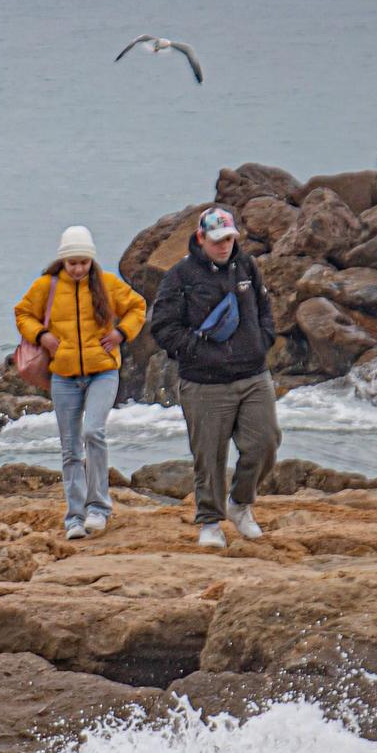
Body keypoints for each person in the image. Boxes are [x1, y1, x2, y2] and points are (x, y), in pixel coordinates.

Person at [148, 205, 280, 549]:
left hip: (253, 375)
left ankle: (240, 504)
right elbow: (163, 327)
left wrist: (263, 339)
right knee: (209, 455)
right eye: (217, 240)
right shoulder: (180, 276)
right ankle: (209, 521)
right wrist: (199, 352)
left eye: (230, 239)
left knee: (265, 443)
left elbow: (264, 309)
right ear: (201, 238)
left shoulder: (246, 266)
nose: (224, 246)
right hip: (204, 382)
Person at [14, 225, 147, 539]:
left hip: (103, 372)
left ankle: (99, 508)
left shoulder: (107, 284)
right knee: (71, 449)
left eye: (83, 262)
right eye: (72, 262)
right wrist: (42, 336)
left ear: (91, 260)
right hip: (64, 377)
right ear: (63, 260)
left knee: (94, 432)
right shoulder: (46, 286)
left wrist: (121, 333)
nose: (77, 268)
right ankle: (75, 517)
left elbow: (137, 307)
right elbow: (22, 314)